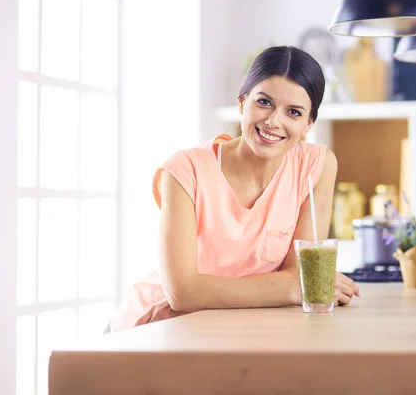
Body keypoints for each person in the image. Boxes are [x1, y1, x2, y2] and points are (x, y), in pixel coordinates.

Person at [109, 45, 360, 332]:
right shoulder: (183, 170)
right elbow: (182, 293)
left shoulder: (316, 166)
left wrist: (294, 283)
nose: (274, 121)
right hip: (156, 327)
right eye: (264, 102)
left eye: (293, 112)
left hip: (238, 326)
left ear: (307, 124)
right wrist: (293, 289)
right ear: (242, 103)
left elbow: (299, 273)